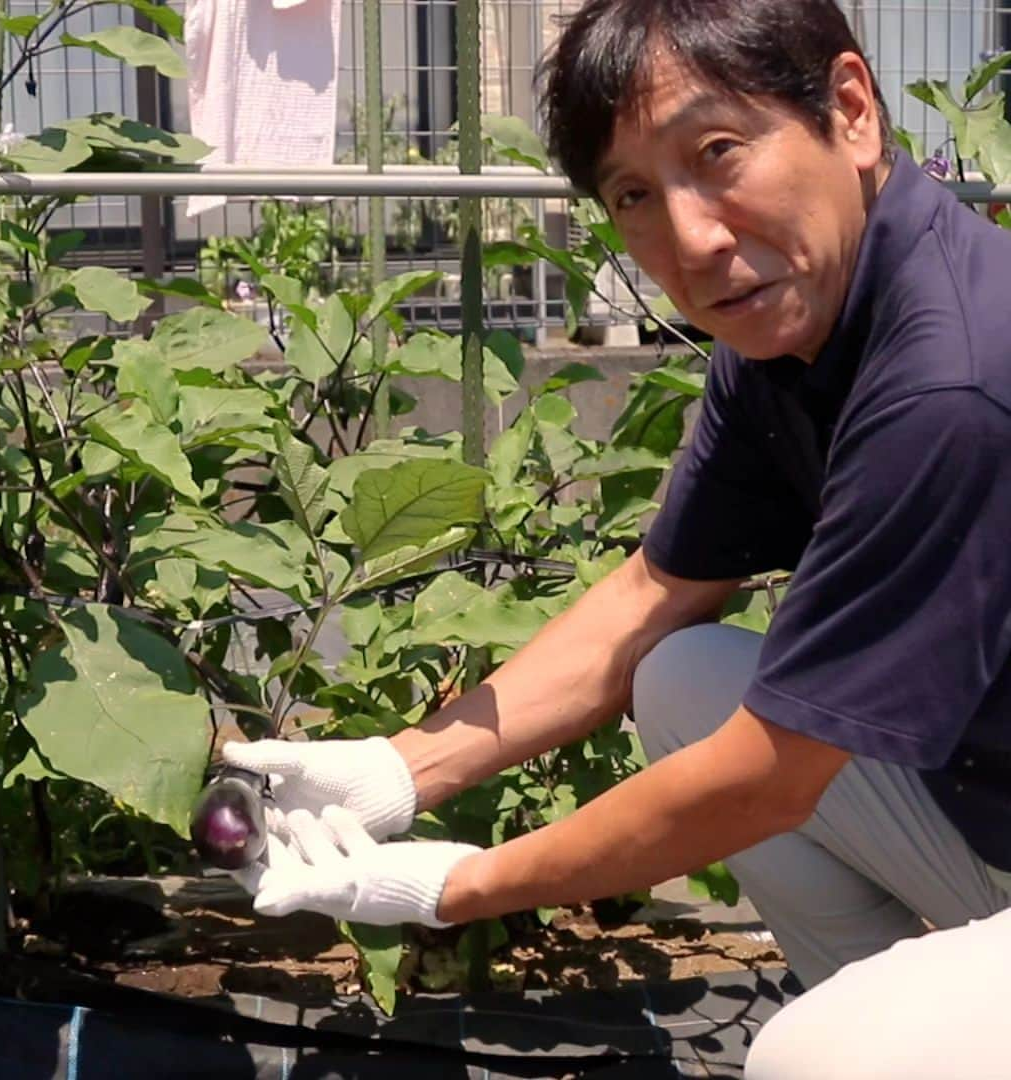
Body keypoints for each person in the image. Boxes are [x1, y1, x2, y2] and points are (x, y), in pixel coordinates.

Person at [223, 1, 1011, 1074]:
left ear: (853, 110)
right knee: (686, 677)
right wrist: (399, 771)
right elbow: (658, 592)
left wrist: (451, 886)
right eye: (634, 194)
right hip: (990, 825)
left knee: (817, 1055)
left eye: (719, 152)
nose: (691, 240)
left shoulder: (950, 381)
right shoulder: (794, 314)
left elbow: (769, 779)